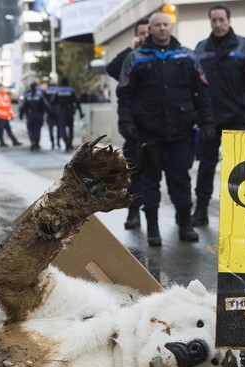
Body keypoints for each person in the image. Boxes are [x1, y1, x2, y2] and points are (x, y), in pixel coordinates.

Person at [117, 11, 215, 246]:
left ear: (171, 27)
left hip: (181, 132)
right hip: (148, 133)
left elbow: (201, 92)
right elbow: (125, 94)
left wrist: (208, 120)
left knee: (181, 180)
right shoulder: (136, 58)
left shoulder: (188, 56)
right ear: (149, 29)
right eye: (157, 25)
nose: (162, 28)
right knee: (150, 181)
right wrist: (126, 121)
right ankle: (153, 229)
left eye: (165, 24)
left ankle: (185, 224)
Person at [191, 4, 245, 228]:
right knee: (206, 165)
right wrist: (202, 114)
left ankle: (242, 213)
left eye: (222, 20)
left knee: (241, 167)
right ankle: (200, 210)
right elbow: (195, 82)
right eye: (214, 20)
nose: (218, 24)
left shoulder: (244, 46)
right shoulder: (201, 49)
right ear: (210, 22)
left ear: (229, 21)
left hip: (236, 118)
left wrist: (242, 106)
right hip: (209, 119)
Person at [107, 17, 149, 230]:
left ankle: (177, 218)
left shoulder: (165, 54)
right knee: (133, 172)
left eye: (147, 32)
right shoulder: (130, 59)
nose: (145, 36)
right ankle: (134, 213)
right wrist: (130, 49)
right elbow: (112, 68)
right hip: (135, 125)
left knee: (163, 173)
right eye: (141, 33)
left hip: (161, 127)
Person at [51, 77, 84, 152]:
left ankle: (66, 143)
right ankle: (70, 142)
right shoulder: (71, 90)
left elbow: (52, 102)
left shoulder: (58, 91)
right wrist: (81, 112)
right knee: (71, 128)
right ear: (67, 83)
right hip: (70, 111)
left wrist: (56, 109)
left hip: (61, 112)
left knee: (62, 128)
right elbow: (77, 102)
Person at [19, 81, 51, 151]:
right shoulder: (40, 96)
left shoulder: (27, 96)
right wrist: (47, 112)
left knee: (30, 129)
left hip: (30, 115)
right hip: (38, 115)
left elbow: (23, 107)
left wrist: (21, 115)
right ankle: (36, 143)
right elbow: (45, 105)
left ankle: (32, 141)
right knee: (37, 129)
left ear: (30, 88)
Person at [44, 80, 59, 149]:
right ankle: (58, 141)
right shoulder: (58, 90)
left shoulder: (46, 91)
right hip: (57, 111)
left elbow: (44, 102)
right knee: (59, 127)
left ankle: (52, 142)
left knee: (50, 128)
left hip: (49, 112)